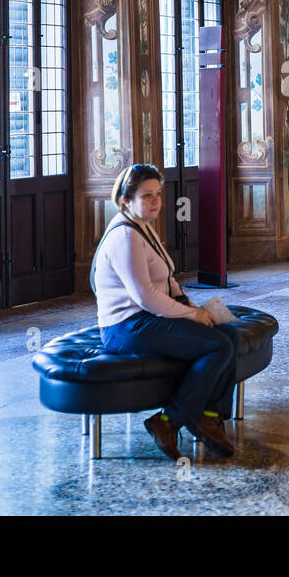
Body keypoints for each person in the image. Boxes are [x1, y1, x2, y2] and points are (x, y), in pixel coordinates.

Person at [91, 163, 239, 460]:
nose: (156, 201)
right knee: (218, 346)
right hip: (126, 328)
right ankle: (168, 421)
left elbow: (167, 278)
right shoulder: (126, 236)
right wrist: (191, 316)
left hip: (148, 319)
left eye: (158, 193)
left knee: (229, 335)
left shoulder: (143, 227)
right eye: (146, 196)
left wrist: (191, 306)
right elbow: (144, 296)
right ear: (125, 200)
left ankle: (210, 416)